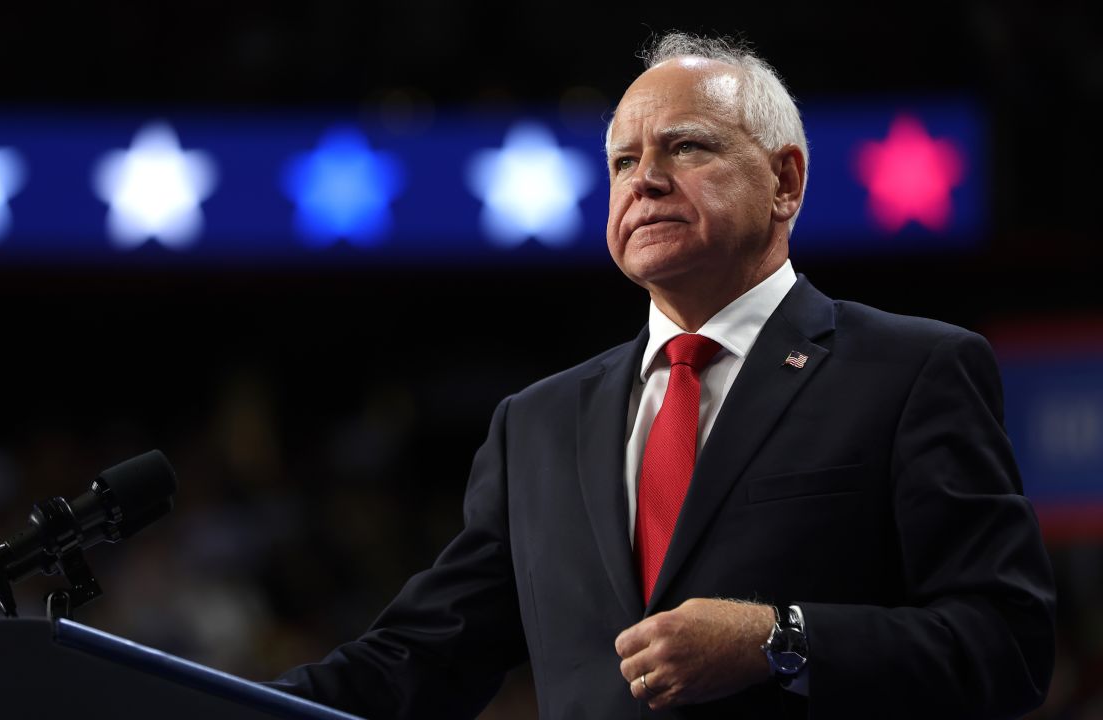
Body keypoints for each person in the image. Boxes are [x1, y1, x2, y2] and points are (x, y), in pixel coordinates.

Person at [270, 32, 1056, 719]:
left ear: (785, 180)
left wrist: (779, 639)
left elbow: (1006, 646)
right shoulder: (538, 424)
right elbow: (417, 662)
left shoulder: (912, 370)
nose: (643, 179)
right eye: (622, 160)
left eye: (686, 147)